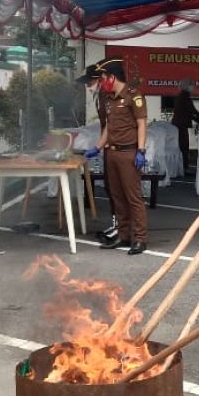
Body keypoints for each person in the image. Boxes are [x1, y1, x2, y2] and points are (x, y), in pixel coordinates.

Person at [85, 60, 148, 255]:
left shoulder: (133, 95)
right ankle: (123, 235)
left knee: (133, 198)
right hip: (111, 153)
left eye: (103, 79)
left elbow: (142, 125)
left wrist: (141, 151)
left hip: (128, 153)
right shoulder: (110, 99)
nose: (102, 83)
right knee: (117, 197)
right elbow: (108, 129)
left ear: (113, 77)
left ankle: (140, 238)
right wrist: (97, 148)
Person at [79, 60, 119, 242]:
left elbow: (110, 126)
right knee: (111, 187)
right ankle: (116, 224)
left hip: (115, 146)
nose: (88, 87)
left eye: (89, 83)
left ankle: (120, 226)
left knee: (116, 189)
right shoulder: (100, 96)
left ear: (98, 79)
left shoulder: (107, 95)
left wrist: (97, 147)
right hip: (108, 145)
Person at [171, 78, 199, 172]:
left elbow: (191, 111)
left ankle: (184, 166)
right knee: (183, 145)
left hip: (180, 124)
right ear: (187, 86)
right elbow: (191, 110)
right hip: (181, 124)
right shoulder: (184, 96)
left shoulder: (183, 95)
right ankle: (184, 167)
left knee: (183, 145)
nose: (193, 87)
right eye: (191, 85)